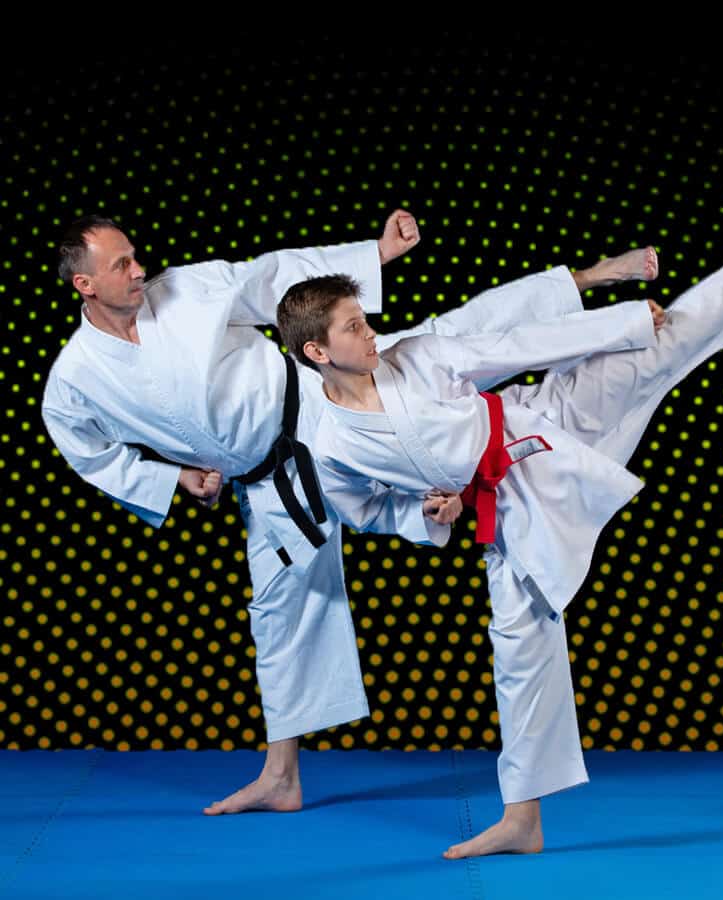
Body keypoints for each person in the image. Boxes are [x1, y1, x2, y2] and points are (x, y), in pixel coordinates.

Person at [276, 201, 723, 858]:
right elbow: (365, 510)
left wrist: (624, 321)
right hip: (507, 507)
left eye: (367, 319)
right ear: (317, 350)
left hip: (542, 422)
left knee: (667, 343)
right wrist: (423, 514)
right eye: (355, 328)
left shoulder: (418, 355)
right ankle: (522, 819)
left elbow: (515, 346)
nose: (373, 333)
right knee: (520, 648)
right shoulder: (331, 448)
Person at [41, 209, 654, 815]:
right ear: (85, 285)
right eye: (121, 263)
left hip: (319, 397)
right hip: (267, 480)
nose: (139, 267)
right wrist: (171, 475)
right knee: (277, 613)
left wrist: (376, 255)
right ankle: (281, 777)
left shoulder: (185, 290)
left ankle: (589, 281)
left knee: (458, 335)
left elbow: (276, 275)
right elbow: (86, 451)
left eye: (133, 255)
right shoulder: (75, 379)